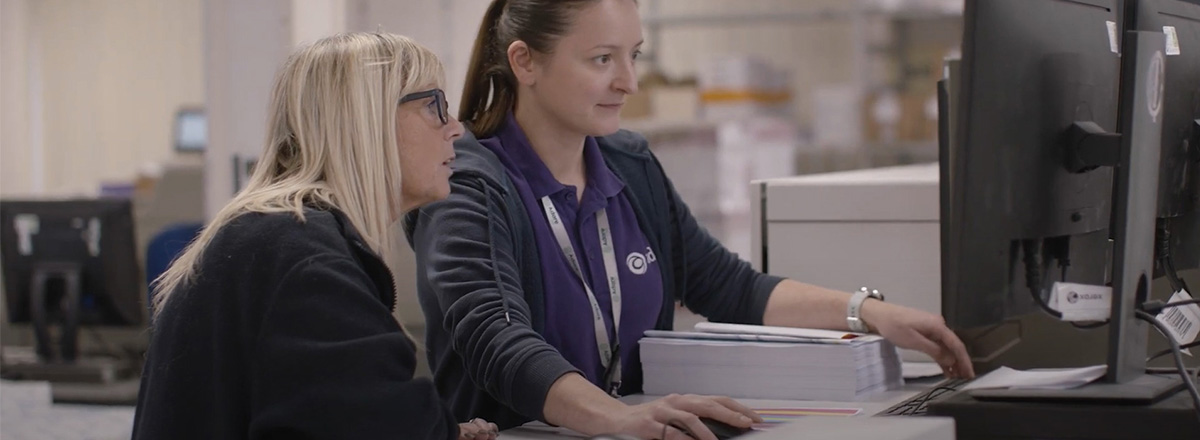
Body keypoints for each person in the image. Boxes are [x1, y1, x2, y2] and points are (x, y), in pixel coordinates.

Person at [404, 1, 976, 439]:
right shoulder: (469, 181)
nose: (629, 81)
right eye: (603, 59)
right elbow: (495, 338)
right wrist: (618, 418)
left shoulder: (629, 163)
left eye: (635, 55)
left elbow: (727, 285)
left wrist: (871, 312)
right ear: (524, 61)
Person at [132, 32, 499, 440]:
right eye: (435, 106)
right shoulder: (304, 262)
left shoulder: (275, 234)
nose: (456, 129)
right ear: (366, 120)